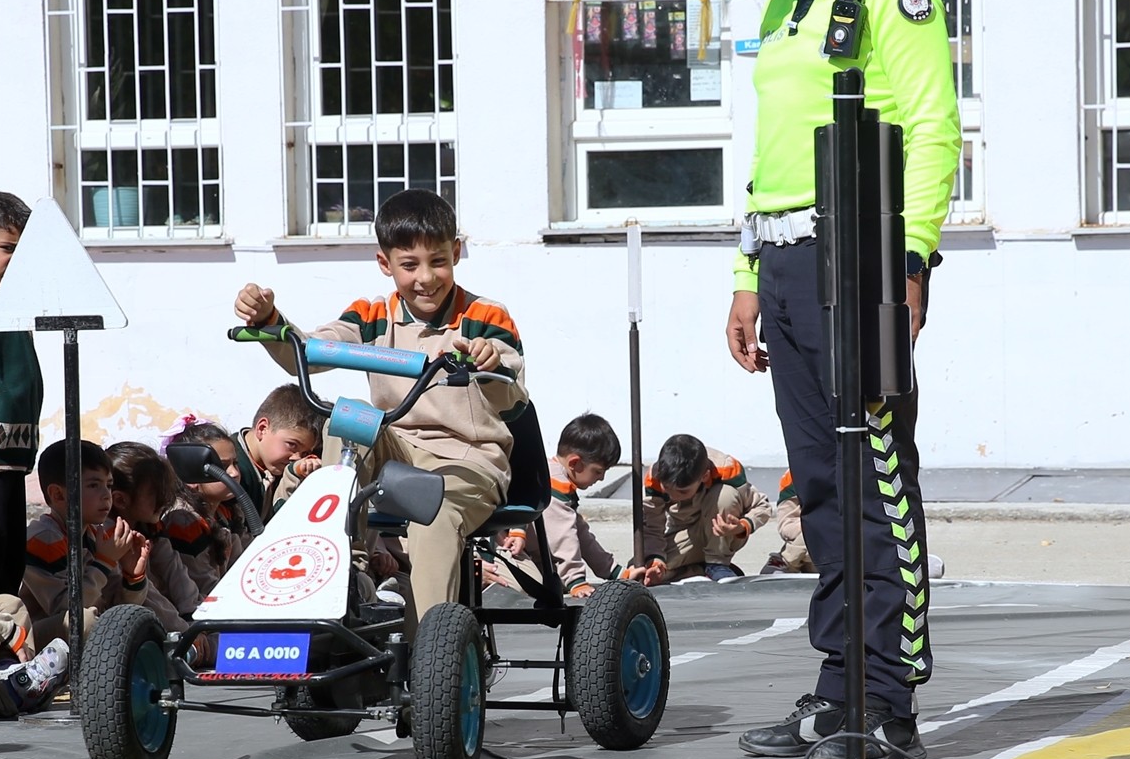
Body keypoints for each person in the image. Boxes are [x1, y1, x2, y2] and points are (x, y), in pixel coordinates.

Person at [707, 0, 961, 759]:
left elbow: (933, 131)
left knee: (873, 481)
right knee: (816, 490)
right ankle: (837, 688)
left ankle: (885, 703)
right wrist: (745, 276)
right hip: (782, 264)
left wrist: (911, 262)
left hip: (857, 258)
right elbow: (771, 148)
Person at [233, 189, 527, 633]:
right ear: (385, 263)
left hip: (467, 461)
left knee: (432, 515)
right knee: (347, 417)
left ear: (456, 253)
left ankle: (431, 647)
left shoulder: (486, 317)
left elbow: (512, 395)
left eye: (438, 261)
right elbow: (307, 351)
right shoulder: (371, 315)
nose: (425, 278)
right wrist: (269, 319)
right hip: (399, 451)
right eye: (409, 265)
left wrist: (488, 362)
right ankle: (345, 573)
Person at [20, 440, 150, 648]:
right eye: (93, 485)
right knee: (83, 621)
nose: (106, 495)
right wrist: (104, 562)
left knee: (139, 617)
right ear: (58, 494)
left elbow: (118, 606)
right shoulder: (43, 538)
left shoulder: (94, 534)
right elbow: (65, 608)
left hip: (88, 628)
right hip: (36, 638)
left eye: (108, 485)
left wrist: (132, 577)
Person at [504, 412, 626, 598]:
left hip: (532, 553)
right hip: (510, 550)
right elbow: (564, 538)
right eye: (598, 471)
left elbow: (581, 535)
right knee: (535, 588)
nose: (601, 478)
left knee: (552, 584)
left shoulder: (552, 474)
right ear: (574, 463)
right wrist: (576, 580)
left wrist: (615, 572)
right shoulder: (556, 485)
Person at [0, 192, 45, 597]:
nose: (16, 259)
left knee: (10, 560)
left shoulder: (10, 300)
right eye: (7, 248)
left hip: (13, 456)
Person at [638, 434, 772, 584]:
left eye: (683, 491)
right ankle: (698, 570)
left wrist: (741, 526)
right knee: (644, 570)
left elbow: (762, 506)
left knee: (725, 494)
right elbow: (652, 526)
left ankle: (717, 564)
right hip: (686, 534)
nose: (674, 496)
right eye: (667, 488)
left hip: (722, 535)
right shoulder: (655, 477)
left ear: (704, 476)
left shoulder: (726, 469)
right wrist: (656, 560)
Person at [159, 419, 249, 598]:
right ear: (191, 474)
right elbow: (203, 584)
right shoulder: (184, 521)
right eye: (222, 467)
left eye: (236, 463)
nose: (234, 473)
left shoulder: (225, 511)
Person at [232, 383, 324, 522]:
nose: (296, 458)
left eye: (304, 453)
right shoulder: (233, 470)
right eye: (292, 445)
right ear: (262, 428)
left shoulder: (273, 469)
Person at [760, 469, 816, 575]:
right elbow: (787, 527)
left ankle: (788, 560)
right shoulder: (796, 474)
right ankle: (786, 562)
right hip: (812, 546)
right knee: (821, 526)